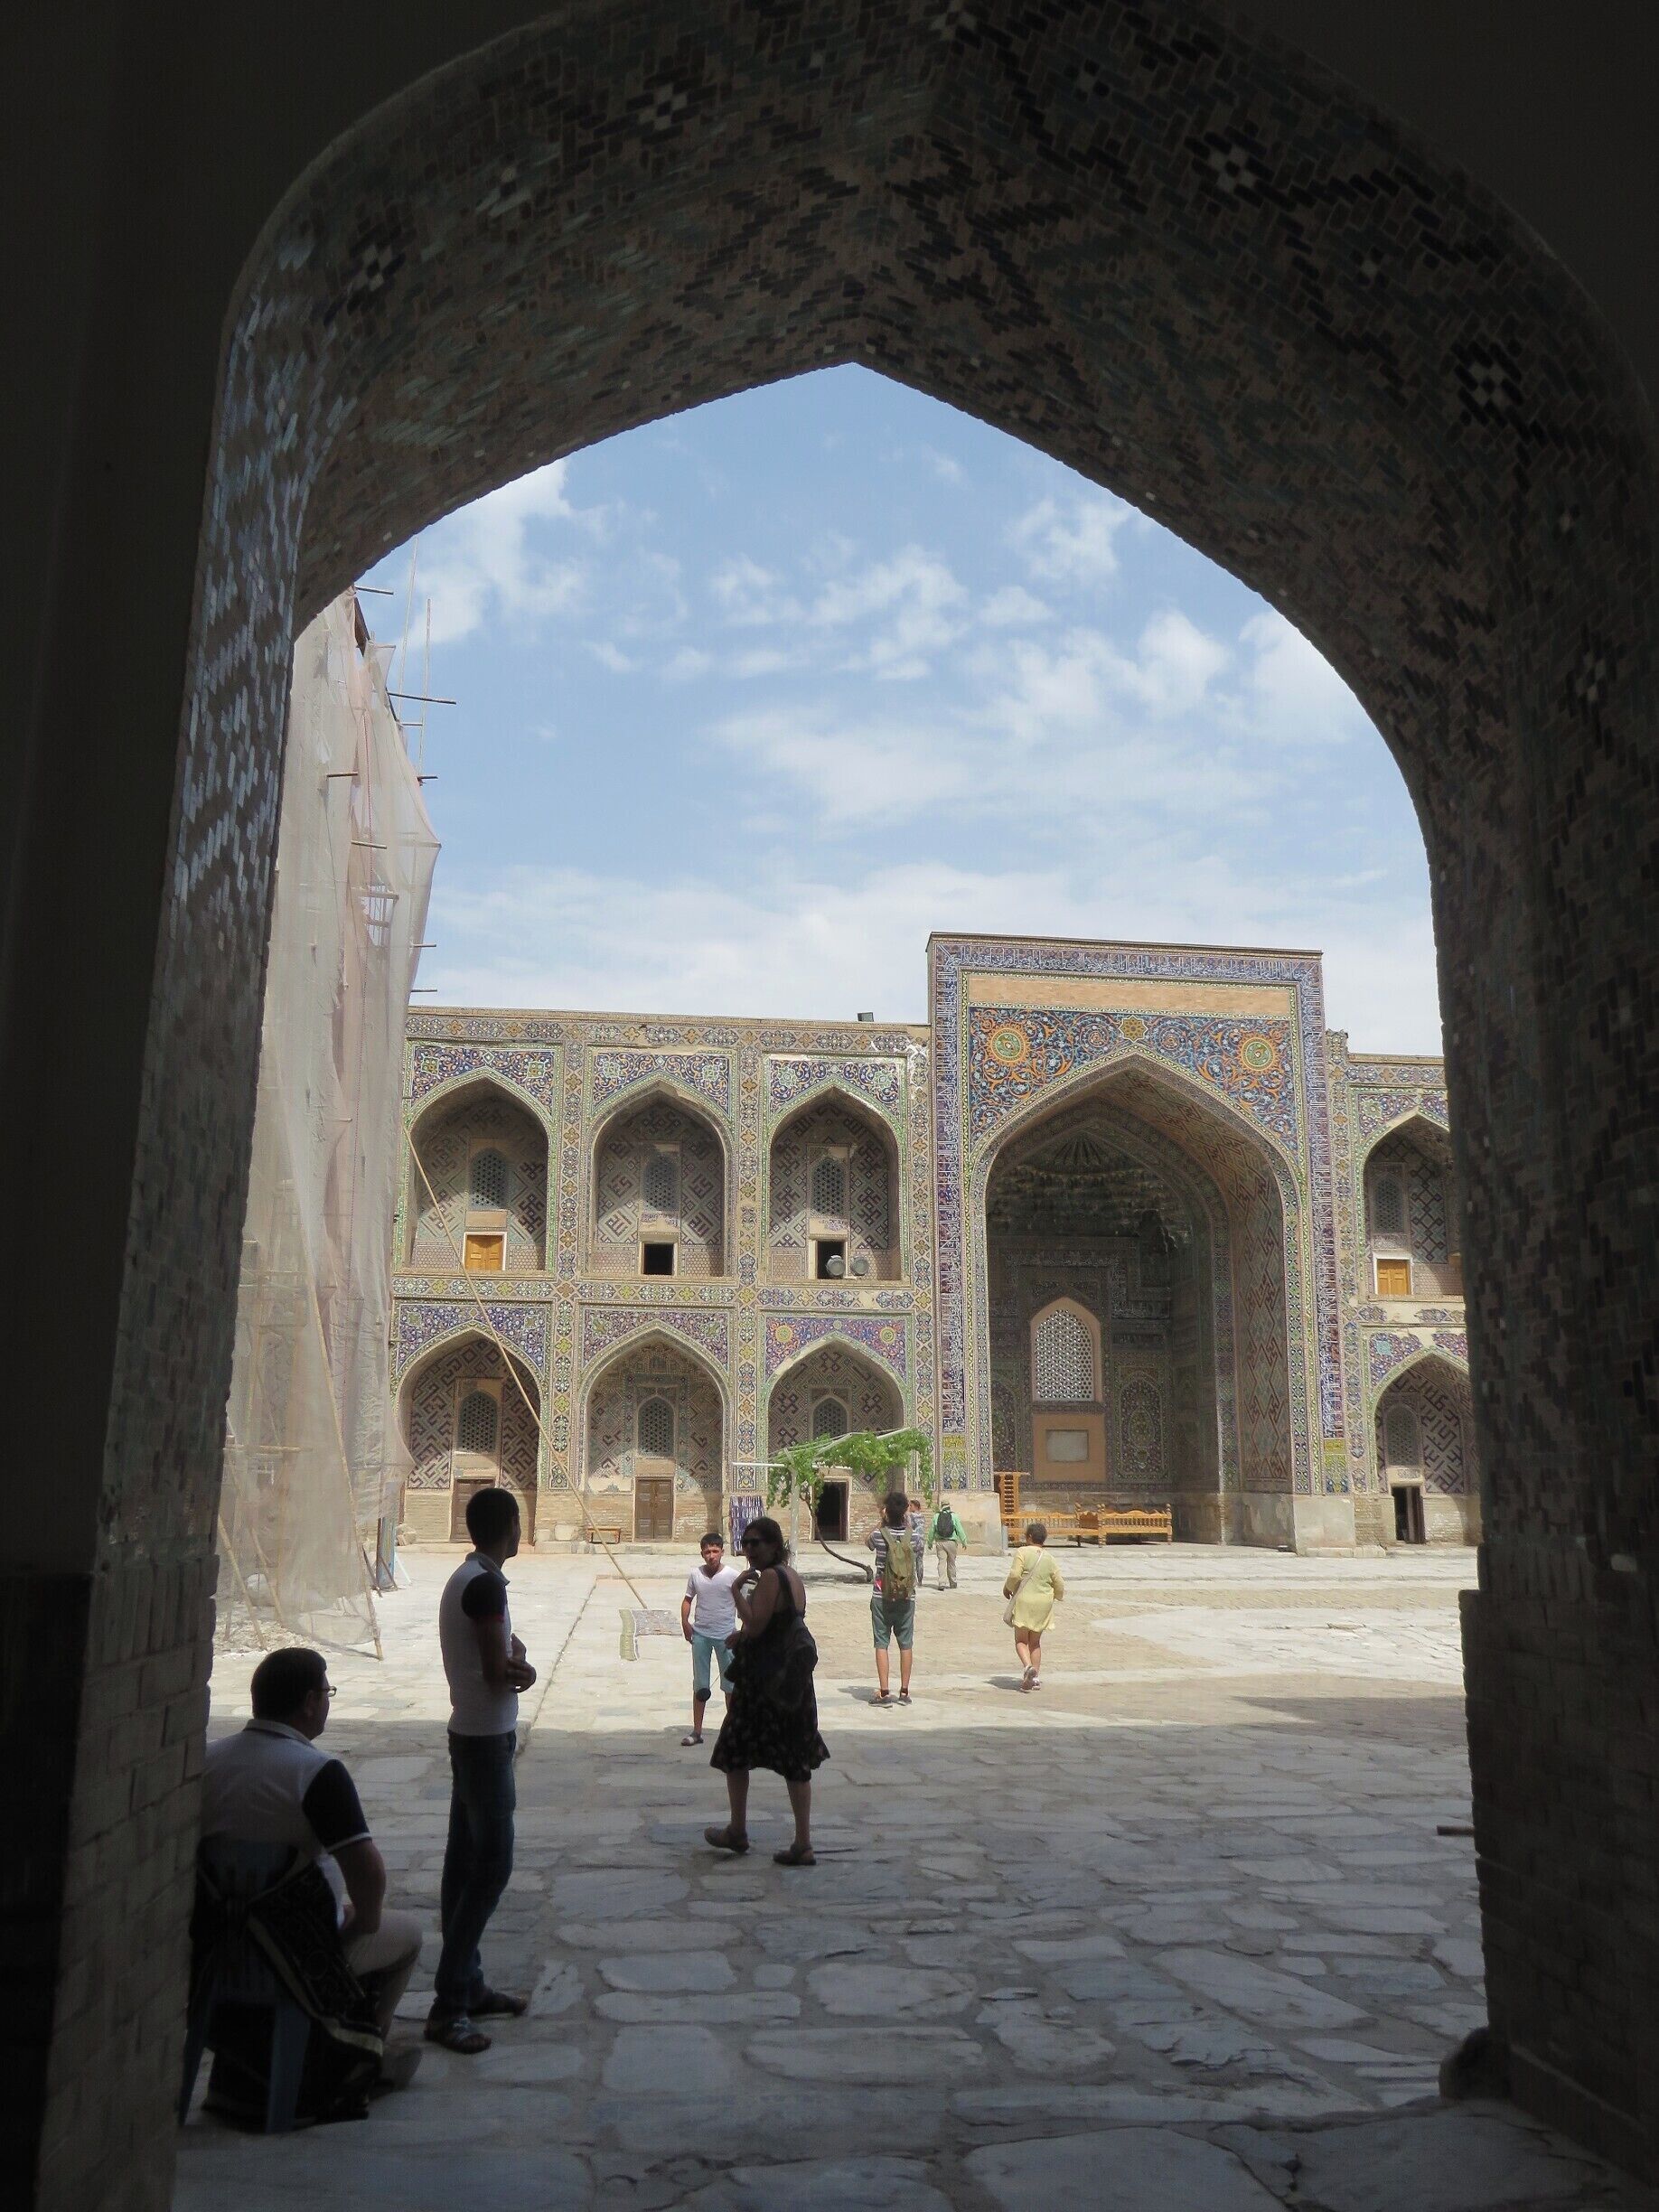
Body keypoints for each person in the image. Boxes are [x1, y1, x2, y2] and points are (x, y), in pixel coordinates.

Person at [195, 1645, 423, 2118]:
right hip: (296, 1956)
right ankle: (360, 2061)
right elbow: (368, 1871)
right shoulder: (314, 1772)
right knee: (405, 1936)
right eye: (327, 1692)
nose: (327, 1702)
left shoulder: (209, 1762)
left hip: (213, 1946)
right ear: (307, 1703)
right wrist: (363, 1923)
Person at [428, 1485, 536, 2054]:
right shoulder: (486, 1583)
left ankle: (467, 1983)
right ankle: (449, 2003)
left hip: (468, 1731)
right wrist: (525, 1669)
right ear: (510, 1526)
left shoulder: (465, 1578)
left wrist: (507, 1658)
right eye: (518, 1526)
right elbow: (498, 1669)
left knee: (463, 1862)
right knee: (492, 1865)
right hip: (484, 1739)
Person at [706, 1515, 828, 1865]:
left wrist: (735, 1592)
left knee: (735, 1748)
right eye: (745, 1544)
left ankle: (738, 1829)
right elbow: (782, 1621)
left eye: (756, 1543)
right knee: (794, 1758)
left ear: (775, 1545)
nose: (749, 1550)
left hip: (765, 1682)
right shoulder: (792, 1576)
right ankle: (802, 1842)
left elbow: (757, 1625)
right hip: (791, 1681)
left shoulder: (772, 1577)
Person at [681, 1529, 743, 1745]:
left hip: (726, 1637)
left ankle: (733, 1731)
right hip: (701, 1636)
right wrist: (685, 1623)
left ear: (722, 1552)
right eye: (707, 1552)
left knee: (731, 1686)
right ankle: (697, 1731)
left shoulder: (733, 1577)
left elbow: (745, 1604)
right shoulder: (695, 1575)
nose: (711, 1556)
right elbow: (688, 1599)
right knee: (700, 1686)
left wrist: (742, 1631)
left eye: (715, 1551)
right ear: (702, 1554)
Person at [867, 1490, 925, 1703]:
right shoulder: (915, 1537)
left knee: (881, 1643)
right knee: (906, 1644)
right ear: (905, 1511)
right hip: (906, 1597)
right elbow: (917, 1550)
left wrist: (882, 1522)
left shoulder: (878, 1536)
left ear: (886, 1511)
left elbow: (868, 1542)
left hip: (881, 1595)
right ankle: (904, 1692)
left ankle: (884, 1691)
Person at [1004, 1520, 1065, 1691]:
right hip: (1043, 1603)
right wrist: (1058, 1596)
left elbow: (1015, 1574)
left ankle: (1027, 1667)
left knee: (1021, 1640)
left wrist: (1007, 1587)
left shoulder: (1022, 1552)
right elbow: (1059, 1584)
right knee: (1035, 1642)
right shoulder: (1050, 1558)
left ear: (1029, 1537)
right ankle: (1035, 1678)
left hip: (1025, 1600)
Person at [931, 1495, 969, 1589]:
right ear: (949, 1506)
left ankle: (942, 1583)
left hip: (940, 1542)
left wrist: (929, 1542)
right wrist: (964, 1541)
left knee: (941, 1562)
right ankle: (953, 1582)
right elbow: (959, 1529)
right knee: (951, 1563)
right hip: (951, 1542)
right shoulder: (954, 1516)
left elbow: (932, 1530)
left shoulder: (936, 1516)